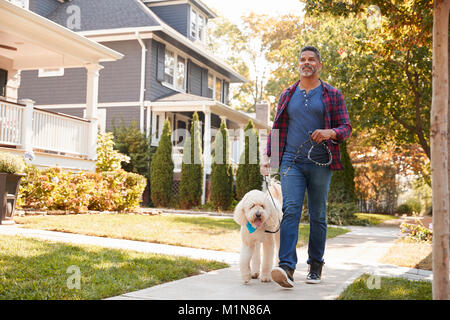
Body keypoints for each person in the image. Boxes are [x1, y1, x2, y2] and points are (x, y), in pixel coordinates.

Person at [260, 46, 352, 288]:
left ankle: (315, 265)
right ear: (299, 64)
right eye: (303, 59)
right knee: (290, 210)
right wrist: (269, 156)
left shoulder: (332, 94)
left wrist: (330, 132)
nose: (307, 63)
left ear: (319, 65)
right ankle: (287, 267)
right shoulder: (288, 94)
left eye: (311, 59)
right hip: (292, 160)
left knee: (318, 214)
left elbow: (346, 127)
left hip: (321, 162)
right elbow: (277, 128)